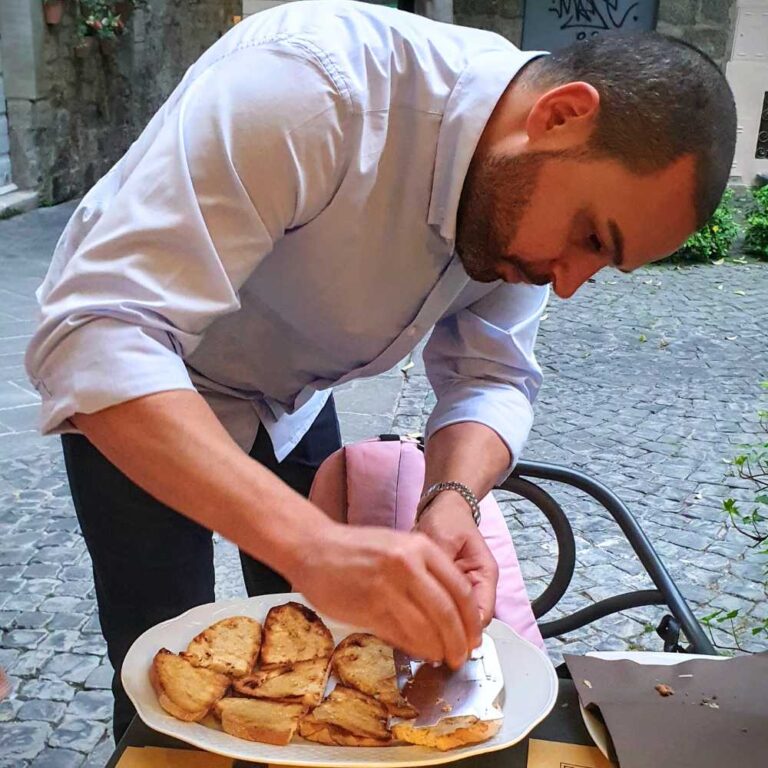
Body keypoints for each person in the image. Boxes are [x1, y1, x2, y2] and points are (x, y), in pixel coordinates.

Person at [25, 0, 735, 739]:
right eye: (591, 235)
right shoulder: (311, 90)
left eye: (604, 263)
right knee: (165, 690)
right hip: (147, 396)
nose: (567, 283)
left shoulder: (525, 187)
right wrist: (309, 542)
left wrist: (450, 501)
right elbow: (96, 331)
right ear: (559, 115)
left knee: (331, 667)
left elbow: (492, 373)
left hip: (293, 394)